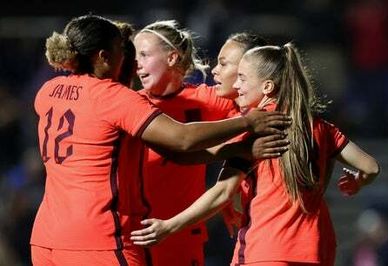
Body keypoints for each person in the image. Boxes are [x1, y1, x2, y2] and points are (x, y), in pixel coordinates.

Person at [30, 14, 292, 266]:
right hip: (98, 236)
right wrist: (248, 123)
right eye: (126, 51)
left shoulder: (47, 92)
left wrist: (239, 151)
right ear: (103, 57)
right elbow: (182, 139)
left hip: (47, 237)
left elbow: (176, 154)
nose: (132, 62)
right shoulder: (117, 99)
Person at [130, 43, 380, 266]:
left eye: (241, 77)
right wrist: (358, 182)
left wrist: (169, 226)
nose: (237, 85)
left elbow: (222, 192)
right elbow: (371, 167)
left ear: (267, 86)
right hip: (317, 248)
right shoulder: (321, 127)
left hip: (267, 246)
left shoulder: (255, 125)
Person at [133, 21, 288, 266]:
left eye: (143, 54)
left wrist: (232, 191)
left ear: (172, 57)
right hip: (134, 230)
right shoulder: (128, 105)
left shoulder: (210, 100)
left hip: (183, 231)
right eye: (134, 55)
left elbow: (250, 99)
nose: (136, 63)